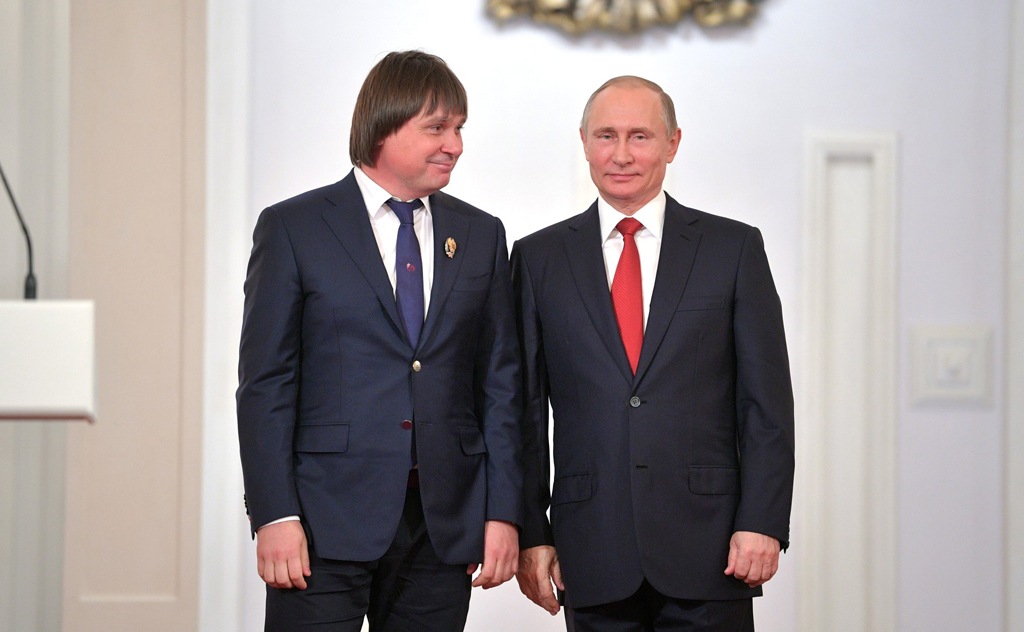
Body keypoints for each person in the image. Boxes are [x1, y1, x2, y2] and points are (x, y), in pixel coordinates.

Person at [237, 50, 523, 631]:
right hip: (320, 524)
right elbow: (266, 384)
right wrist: (274, 514)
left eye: (459, 129)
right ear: (383, 126)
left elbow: (500, 385)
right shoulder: (294, 228)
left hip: (442, 528)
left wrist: (503, 512)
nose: (455, 145)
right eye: (437, 128)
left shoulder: (481, 234)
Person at [512, 76, 795, 631]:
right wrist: (531, 532)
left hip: (713, 547)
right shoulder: (537, 258)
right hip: (590, 548)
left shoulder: (733, 249)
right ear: (584, 142)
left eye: (639, 136)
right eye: (606, 136)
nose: (621, 154)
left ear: (672, 143)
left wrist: (763, 520)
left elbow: (766, 404)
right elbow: (521, 413)